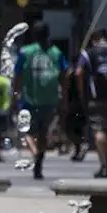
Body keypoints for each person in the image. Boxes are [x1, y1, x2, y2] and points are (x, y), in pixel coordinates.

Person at [13, 20, 67, 180]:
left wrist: (15, 93)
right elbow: (64, 74)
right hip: (50, 99)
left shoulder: (26, 52)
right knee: (43, 132)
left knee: (26, 131)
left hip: (29, 98)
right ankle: (40, 158)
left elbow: (17, 74)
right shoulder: (56, 52)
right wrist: (63, 96)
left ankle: (35, 152)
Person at [76, 28, 107, 177]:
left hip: (96, 98)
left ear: (94, 39)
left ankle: (103, 164)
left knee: (99, 131)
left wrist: (81, 92)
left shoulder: (89, 52)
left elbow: (78, 72)